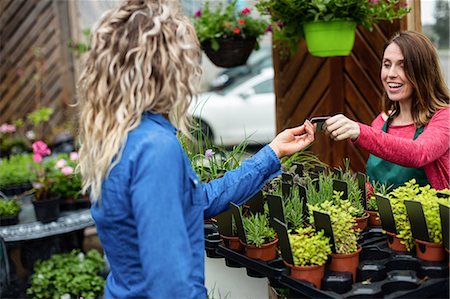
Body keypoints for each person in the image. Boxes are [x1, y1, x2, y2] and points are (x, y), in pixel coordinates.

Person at [76, 0, 315, 298]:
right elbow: (170, 285)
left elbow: (197, 202)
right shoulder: (155, 148)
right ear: (165, 69)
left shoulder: (121, 136)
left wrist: (272, 153)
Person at [323, 30, 449, 190]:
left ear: (422, 72)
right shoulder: (381, 122)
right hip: (382, 215)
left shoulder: (444, 117)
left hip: (431, 215)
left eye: (403, 66)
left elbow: (419, 153)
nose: (391, 74)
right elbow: (374, 185)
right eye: (387, 65)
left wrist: (360, 131)